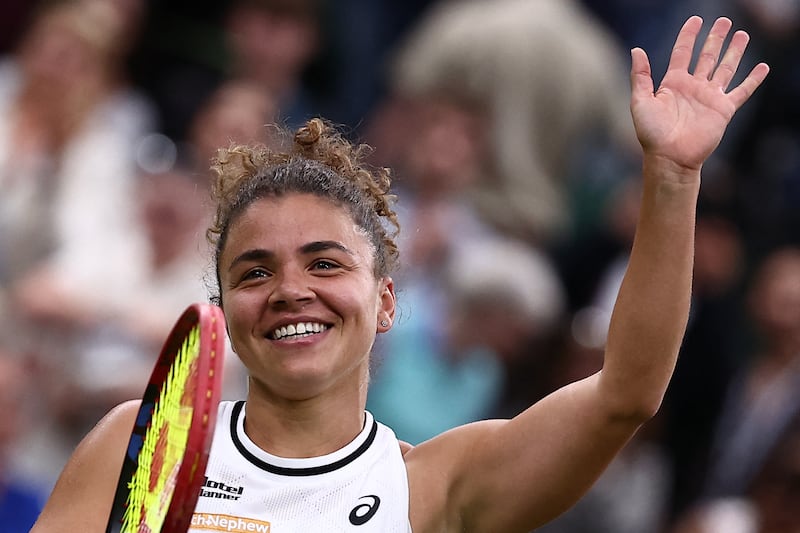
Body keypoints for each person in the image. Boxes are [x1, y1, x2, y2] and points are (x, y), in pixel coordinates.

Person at [31, 15, 769, 532]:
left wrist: (671, 179)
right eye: (255, 270)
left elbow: (626, 393)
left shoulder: (433, 486)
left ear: (386, 302)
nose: (291, 288)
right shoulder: (139, 440)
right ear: (223, 305)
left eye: (324, 262)